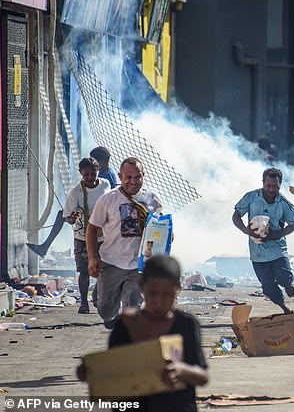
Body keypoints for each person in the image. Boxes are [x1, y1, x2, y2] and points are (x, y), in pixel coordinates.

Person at [77, 255, 208, 412]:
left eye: (167, 295)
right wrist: (89, 371)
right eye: (152, 294)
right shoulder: (125, 325)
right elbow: (111, 371)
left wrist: (181, 370)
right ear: (141, 287)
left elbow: (202, 376)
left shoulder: (186, 325)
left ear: (178, 288)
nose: (159, 302)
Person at [86, 157, 163, 329]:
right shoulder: (108, 200)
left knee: (132, 306)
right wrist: (92, 258)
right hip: (112, 262)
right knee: (105, 309)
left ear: (143, 176)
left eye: (138, 177)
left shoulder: (152, 199)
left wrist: (166, 237)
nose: (133, 182)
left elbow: (160, 227)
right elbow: (92, 228)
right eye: (129, 177)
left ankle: (128, 336)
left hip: (139, 264)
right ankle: (104, 301)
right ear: (120, 176)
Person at [232, 168, 294, 314]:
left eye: (274, 186)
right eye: (268, 186)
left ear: (280, 185)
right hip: (258, 253)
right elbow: (236, 216)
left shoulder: (284, 203)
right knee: (268, 286)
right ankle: (285, 309)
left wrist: (277, 234)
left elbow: (293, 224)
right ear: (263, 183)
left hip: (277, 249)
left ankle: (287, 284)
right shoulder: (251, 197)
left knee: (283, 277)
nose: (271, 189)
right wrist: (246, 230)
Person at [63, 157, 111, 314]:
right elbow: (68, 218)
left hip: (103, 235)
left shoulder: (106, 185)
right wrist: (73, 217)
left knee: (104, 268)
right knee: (84, 270)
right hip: (82, 236)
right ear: (81, 174)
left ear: (98, 172)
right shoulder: (75, 192)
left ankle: (96, 294)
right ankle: (84, 303)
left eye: (93, 174)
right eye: (86, 175)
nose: (90, 178)